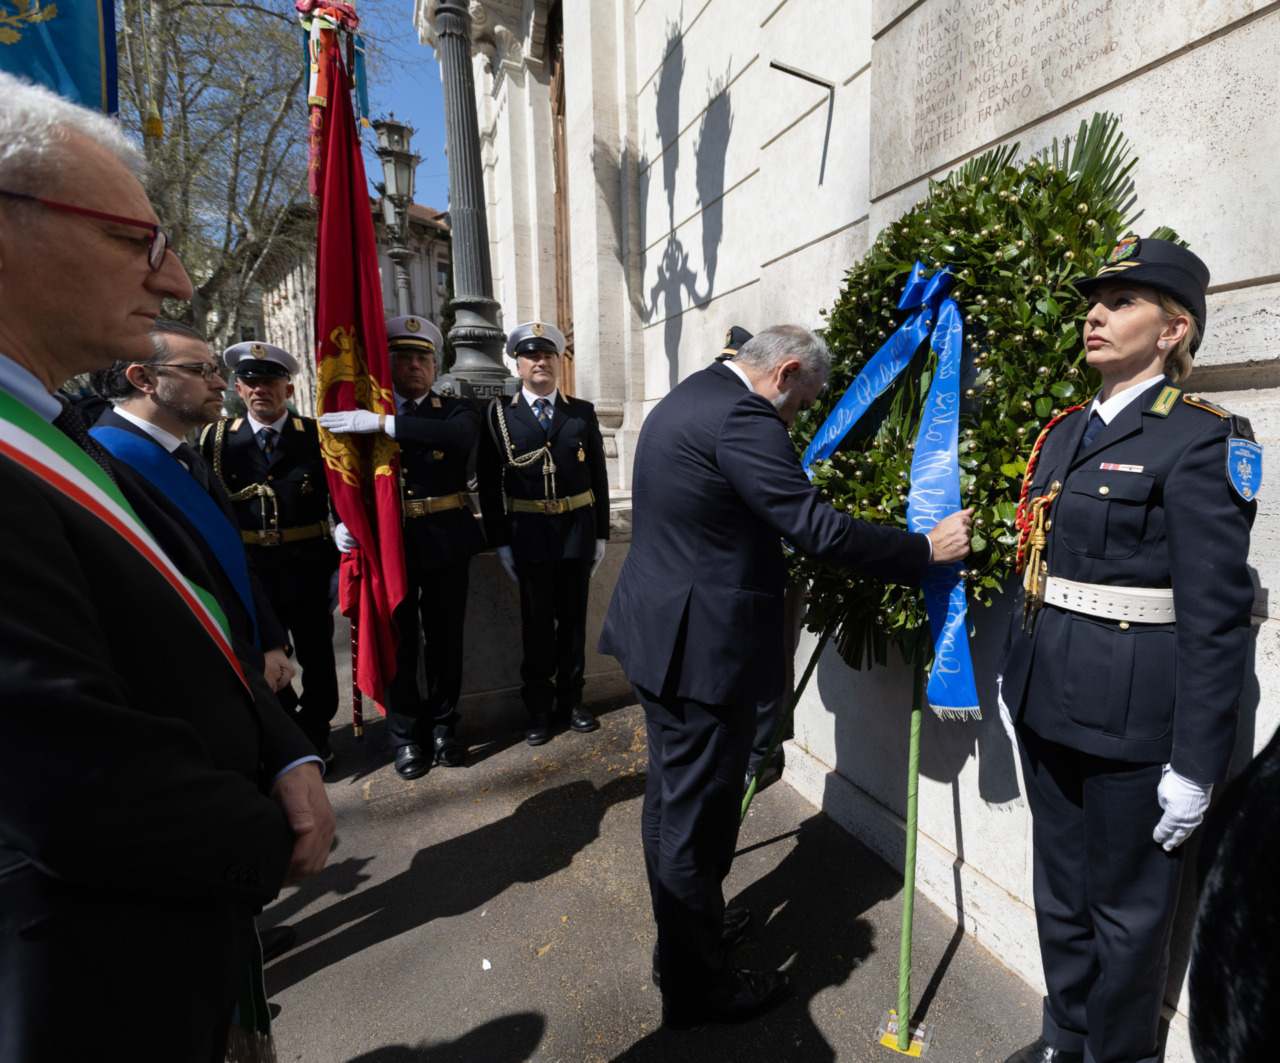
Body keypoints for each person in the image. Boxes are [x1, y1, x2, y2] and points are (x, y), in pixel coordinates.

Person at [0, 70, 333, 1061]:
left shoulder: (51, 430)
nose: (175, 278)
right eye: (131, 240)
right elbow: (63, 769)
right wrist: (265, 836)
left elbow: (190, 608)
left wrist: (282, 747)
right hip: (95, 976)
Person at [597, 324, 974, 1028]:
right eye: (801, 403)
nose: (796, 418)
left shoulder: (692, 395)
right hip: (699, 654)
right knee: (693, 819)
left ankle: (685, 941)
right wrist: (924, 547)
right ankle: (697, 984)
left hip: (663, 637)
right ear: (785, 372)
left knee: (670, 808)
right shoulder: (743, 415)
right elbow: (815, 528)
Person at [998, 238, 1257, 1063]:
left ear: (1174, 330)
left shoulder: (1202, 439)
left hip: (1132, 728)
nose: (1096, 314)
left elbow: (1215, 619)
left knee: (1127, 914)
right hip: (1050, 707)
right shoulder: (1069, 430)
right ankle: (1064, 1041)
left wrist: (1195, 764)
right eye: (1094, 301)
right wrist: (1018, 686)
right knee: (1061, 900)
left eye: (1123, 302)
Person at [89, 320, 296, 695]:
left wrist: (269, 642)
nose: (219, 383)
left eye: (214, 371)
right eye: (200, 370)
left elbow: (233, 560)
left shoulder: (185, 453)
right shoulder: (100, 465)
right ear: (143, 378)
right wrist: (247, 665)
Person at [319, 315, 485, 778]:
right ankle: (407, 737)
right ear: (386, 364)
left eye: (422, 358)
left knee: (446, 642)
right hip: (389, 544)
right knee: (398, 640)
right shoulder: (357, 416)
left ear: (435, 367)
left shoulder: (454, 408)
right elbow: (341, 471)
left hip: (446, 540)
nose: (414, 366)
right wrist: (340, 522)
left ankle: (443, 729)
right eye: (403, 357)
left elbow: (458, 439)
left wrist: (384, 423)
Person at [200, 341, 341, 764]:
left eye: (270, 382)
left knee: (317, 656)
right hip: (251, 570)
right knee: (266, 656)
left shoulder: (316, 435)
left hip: (309, 564)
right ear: (237, 390)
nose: (261, 390)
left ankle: (316, 732)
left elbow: (340, 495)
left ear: (289, 389)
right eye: (251, 382)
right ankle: (287, 729)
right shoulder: (216, 439)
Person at [476, 321, 611, 746]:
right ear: (518, 364)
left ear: (558, 363)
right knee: (535, 629)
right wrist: (500, 541)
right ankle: (538, 709)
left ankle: (572, 702)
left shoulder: (581, 412)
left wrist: (602, 534)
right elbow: (488, 480)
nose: (541, 362)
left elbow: (599, 478)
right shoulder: (500, 414)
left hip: (576, 532)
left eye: (549, 355)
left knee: (572, 626)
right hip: (529, 535)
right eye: (533, 356)